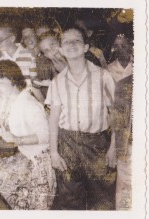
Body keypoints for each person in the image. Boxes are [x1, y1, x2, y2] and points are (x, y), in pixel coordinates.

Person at [45, 26, 117, 210]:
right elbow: (53, 119)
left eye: (76, 40)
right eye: (66, 41)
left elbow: (117, 114)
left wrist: (114, 147)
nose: (71, 43)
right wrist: (54, 152)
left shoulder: (103, 76)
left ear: (85, 47)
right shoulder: (57, 81)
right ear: (60, 49)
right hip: (67, 144)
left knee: (102, 197)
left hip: (97, 145)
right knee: (69, 199)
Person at [0, 60, 56, 210]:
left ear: (14, 81)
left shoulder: (28, 103)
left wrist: (17, 140)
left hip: (37, 161)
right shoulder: (9, 99)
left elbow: (45, 136)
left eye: (1, 83)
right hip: (22, 154)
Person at [0, 21, 44, 103]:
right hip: (3, 101)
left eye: (0, 40)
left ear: (12, 38)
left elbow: (34, 84)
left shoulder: (28, 55)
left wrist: (43, 103)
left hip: (24, 101)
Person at [109, 34, 133, 210]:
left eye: (124, 45)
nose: (121, 49)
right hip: (123, 136)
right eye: (117, 46)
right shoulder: (112, 72)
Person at [35, 30, 67, 97]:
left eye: (52, 44)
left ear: (60, 43)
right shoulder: (51, 67)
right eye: (46, 50)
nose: (51, 50)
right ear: (46, 55)